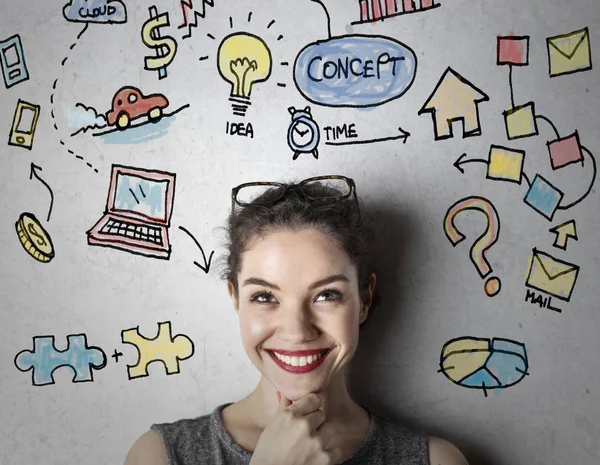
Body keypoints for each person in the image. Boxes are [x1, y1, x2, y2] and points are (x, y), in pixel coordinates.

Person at [124, 175, 468, 464]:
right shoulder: (161, 456)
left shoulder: (435, 461)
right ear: (236, 299)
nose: (297, 331)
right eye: (264, 297)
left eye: (326, 295)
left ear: (363, 300)